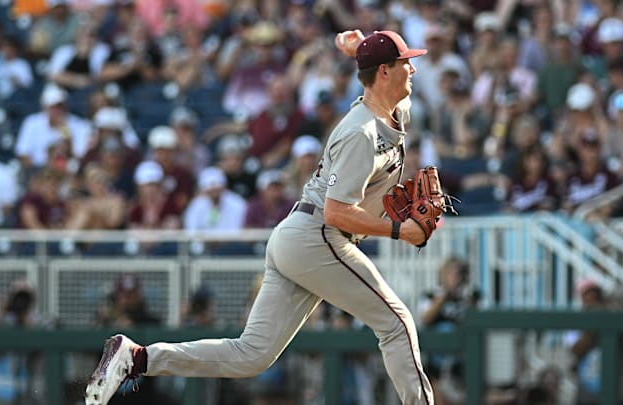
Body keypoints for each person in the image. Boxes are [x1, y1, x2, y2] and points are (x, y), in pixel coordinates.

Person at [84, 29, 436, 405]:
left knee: (251, 354)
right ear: (384, 72)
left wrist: (358, 51)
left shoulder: (389, 110)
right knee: (396, 325)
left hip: (300, 236)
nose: (413, 70)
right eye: (405, 63)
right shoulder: (360, 133)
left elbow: (378, 93)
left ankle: (138, 359)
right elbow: (337, 211)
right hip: (319, 235)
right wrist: (400, 231)